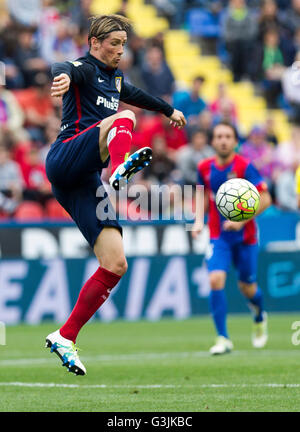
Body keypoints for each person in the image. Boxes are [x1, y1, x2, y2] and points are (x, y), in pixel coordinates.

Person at [44, 14, 186, 375]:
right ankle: (123, 165)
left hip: (83, 178)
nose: (120, 50)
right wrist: (61, 77)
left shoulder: (116, 78)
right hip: (65, 158)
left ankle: (66, 335)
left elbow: (137, 94)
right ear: (94, 42)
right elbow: (67, 67)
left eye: (123, 44)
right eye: (114, 43)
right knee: (123, 120)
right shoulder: (86, 69)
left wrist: (168, 109)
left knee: (115, 263)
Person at [192, 122, 271, 355]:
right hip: (219, 237)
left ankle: (259, 314)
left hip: (245, 237)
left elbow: (265, 198)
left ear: (236, 141)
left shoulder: (245, 167)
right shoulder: (204, 167)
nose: (223, 140)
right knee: (215, 279)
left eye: (228, 136)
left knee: (247, 288)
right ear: (213, 141)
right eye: (219, 136)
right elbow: (200, 195)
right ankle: (223, 338)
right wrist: (198, 221)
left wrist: (241, 220)